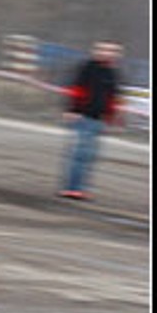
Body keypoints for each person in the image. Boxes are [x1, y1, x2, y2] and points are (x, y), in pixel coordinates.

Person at [58, 42, 125, 200]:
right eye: (103, 50)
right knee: (80, 154)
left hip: (99, 119)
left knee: (90, 156)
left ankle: (79, 188)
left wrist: (112, 118)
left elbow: (114, 98)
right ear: (95, 51)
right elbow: (76, 89)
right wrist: (72, 110)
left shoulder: (113, 73)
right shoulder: (87, 68)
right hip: (84, 116)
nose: (107, 53)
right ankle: (72, 188)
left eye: (112, 51)